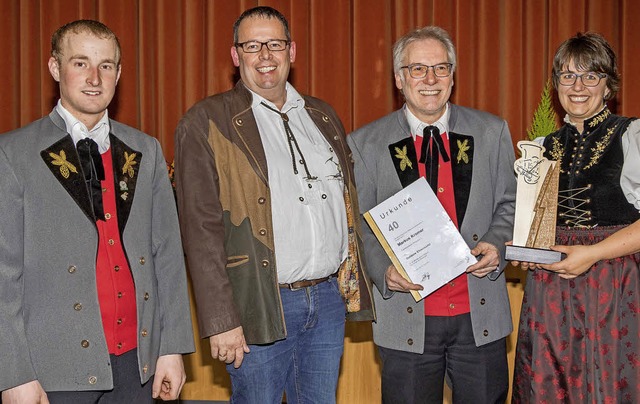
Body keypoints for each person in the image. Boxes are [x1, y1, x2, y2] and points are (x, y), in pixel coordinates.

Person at [174, 6, 374, 404]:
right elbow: (199, 230)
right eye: (252, 45)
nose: (265, 55)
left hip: (328, 300)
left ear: (292, 51)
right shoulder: (206, 121)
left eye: (275, 44)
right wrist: (221, 320)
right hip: (258, 304)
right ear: (236, 56)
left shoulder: (323, 116)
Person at [0, 20, 194, 403]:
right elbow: (3, 276)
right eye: (80, 63)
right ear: (55, 68)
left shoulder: (145, 150)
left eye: (105, 65)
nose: (94, 78)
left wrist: (171, 348)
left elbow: (167, 257)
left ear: (119, 74)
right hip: (51, 366)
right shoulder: (14, 154)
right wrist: (13, 373)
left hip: (136, 363)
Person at [347, 26, 516, 403]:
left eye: (440, 68)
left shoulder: (491, 132)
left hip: (479, 313)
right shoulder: (365, 143)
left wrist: (496, 244)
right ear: (399, 78)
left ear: (452, 76)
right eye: (417, 69)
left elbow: (511, 202)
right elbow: (357, 224)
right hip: (407, 315)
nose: (430, 79)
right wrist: (382, 271)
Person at [512, 32, 640, 403]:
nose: (578, 86)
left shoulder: (631, 135)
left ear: (608, 84)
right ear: (556, 84)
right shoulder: (540, 148)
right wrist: (522, 248)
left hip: (616, 285)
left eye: (591, 75)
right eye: (567, 76)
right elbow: (532, 227)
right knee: (552, 384)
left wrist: (594, 253)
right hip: (551, 291)